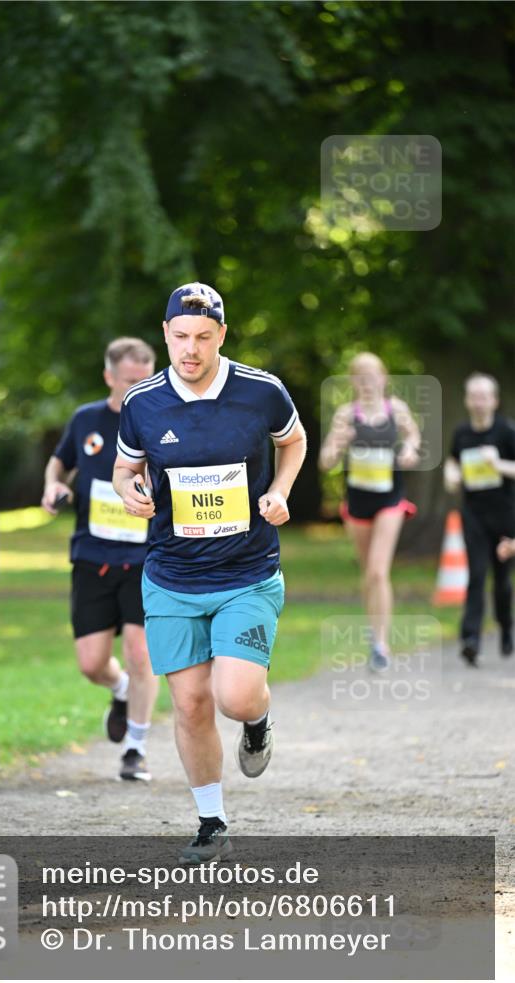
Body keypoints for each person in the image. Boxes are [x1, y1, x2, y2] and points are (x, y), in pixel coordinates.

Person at [112, 282, 306, 862]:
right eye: (179, 338)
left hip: (247, 571)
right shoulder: (143, 403)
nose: (189, 350)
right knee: (192, 703)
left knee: (236, 697)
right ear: (165, 335)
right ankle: (211, 819)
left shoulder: (261, 392)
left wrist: (279, 489)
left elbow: (292, 442)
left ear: (221, 334)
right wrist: (132, 493)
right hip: (172, 576)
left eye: (202, 338)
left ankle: (258, 720)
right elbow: (126, 469)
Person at [41, 338, 159, 780]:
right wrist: (53, 487)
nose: (138, 389)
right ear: (110, 377)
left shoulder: (163, 421)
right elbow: (58, 464)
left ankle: (136, 747)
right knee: (91, 663)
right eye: (130, 381)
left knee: (140, 651)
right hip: (92, 555)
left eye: (146, 380)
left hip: (146, 558)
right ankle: (121, 689)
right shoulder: (86, 420)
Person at [318, 352, 420, 671]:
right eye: (360, 376)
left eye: (372, 375)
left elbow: (413, 436)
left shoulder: (396, 410)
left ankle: (381, 643)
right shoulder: (347, 415)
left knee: (378, 570)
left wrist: (410, 449)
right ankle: (373, 624)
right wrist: (337, 442)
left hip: (390, 498)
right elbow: (325, 462)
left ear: (384, 379)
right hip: (358, 502)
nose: (367, 382)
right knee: (368, 573)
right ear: (353, 382)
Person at [443, 373, 515, 666]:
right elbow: (452, 462)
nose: (479, 402)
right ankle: (470, 638)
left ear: (494, 400)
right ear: (467, 400)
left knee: (501, 581)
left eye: (484, 396)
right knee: (476, 574)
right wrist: (451, 475)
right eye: (474, 396)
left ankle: (505, 626)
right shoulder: (462, 433)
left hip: (505, 515)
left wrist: (497, 464)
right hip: (473, 514)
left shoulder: (506, 432)